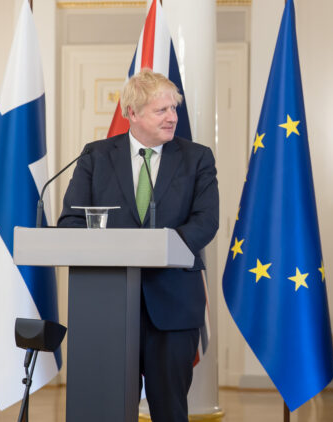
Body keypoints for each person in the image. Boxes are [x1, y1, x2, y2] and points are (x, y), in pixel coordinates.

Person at [58, 69, 219, 421]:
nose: (172, 117)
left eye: (174, 109)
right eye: (161, 110)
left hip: (173, 305)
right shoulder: (96, 156)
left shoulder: (197, 158)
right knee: (107, 411)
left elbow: (206, 222)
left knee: (170, 411)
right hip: (107, 307)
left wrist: (159, 248)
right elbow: (70, 221)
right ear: (132, 113)